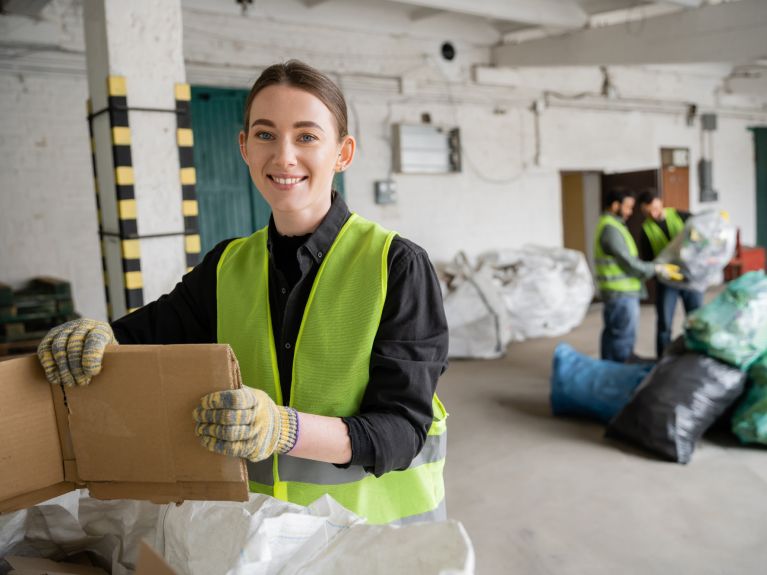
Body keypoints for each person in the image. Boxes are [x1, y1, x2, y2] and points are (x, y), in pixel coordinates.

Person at [37, 60, 449, 525]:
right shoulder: (227, 265)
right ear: (244, 148)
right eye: (265, 134)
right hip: (259, 539)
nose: (284, 156)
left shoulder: (395, 266)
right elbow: (148, 333)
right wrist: (97, 336)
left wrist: (284, 429)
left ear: (343, 153)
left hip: (370, 540)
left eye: (307, 136)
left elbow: (399, 432)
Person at [593, 187, 682, 362]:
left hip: (618, 292)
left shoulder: (612, 225)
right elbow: (629, 263)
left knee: (612, 334)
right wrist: (656, 269)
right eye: (627, 207)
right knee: (622, 338)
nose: (630, 212)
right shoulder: (611, 229)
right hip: (621, 293)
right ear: (614, 205)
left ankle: (608, 371)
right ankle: (620, 373)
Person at [637, 189, 703, 358]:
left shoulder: (681, 216)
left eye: (656, 208)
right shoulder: (646, 229)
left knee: (696, 320)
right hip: (667, 281)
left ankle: (697, 356)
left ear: (661, 202)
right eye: (648, 211)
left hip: (690, 278)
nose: (653, 213)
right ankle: (663, 360)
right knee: (664, 323)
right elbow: (649, 259)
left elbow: (702, 230)